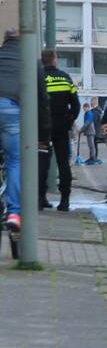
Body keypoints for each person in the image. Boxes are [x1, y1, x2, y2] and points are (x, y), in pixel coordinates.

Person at [0, 28, 51, 232]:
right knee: (15, 161)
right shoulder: (32, 61)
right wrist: (44, 135)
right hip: (11, 109)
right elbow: (42, 100)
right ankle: (14, 212)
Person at [39, 50, 80, 212]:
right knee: (63, 162)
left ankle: (41, 199)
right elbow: (75, 105)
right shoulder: (65, 77)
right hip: (62, 125)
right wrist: (69, 120)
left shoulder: (39, 77)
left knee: (42, 162)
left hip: (43, 126)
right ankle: (65, 201)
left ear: (42, 61)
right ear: (55, 60)